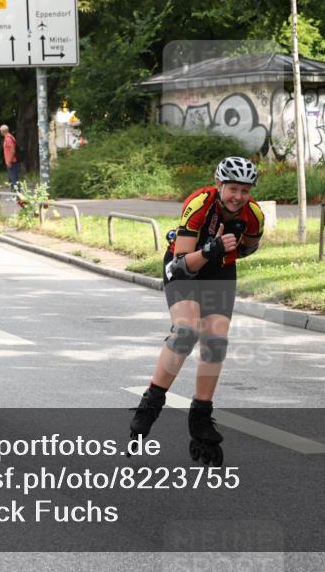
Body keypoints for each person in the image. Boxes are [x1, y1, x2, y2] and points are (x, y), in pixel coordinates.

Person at [128, 156, 265, 466]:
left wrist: (228, 251)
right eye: (232, 189)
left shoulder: (254, 214)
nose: (238, 197)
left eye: (245, 191)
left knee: (215, 342)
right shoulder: (200, 203)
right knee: (186, 332)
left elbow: (249, 246)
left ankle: (201, 415)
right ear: (219, 185)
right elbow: (180, 265)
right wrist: (210, 249)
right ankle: (151, 403)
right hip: (186, 266)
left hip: (219, 270)